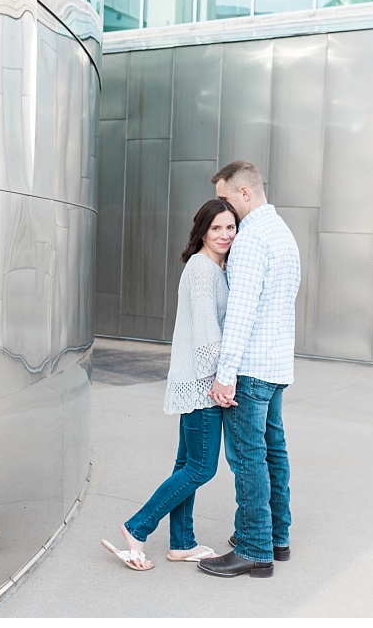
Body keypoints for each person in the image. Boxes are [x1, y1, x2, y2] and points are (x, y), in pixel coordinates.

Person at [101, 198, 240, 571]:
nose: (225, 234)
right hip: (203, 383)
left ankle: (182, 543)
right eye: (216, 228)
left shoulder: (215, 267)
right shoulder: (202, 269)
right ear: (202, 232)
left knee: (186, 463)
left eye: (230, 227)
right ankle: (137, 526)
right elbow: (207, 334)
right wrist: (221, 380)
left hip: (198, 380)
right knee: (201, 467)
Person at [199, 160, 301, 579]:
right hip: (277, 366)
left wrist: (225, 374)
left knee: (248, 458)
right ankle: (277, 537)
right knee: (272, 451)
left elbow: (241, 312)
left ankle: (254, 547)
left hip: (252, 368)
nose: (223, 207)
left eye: (225, 197)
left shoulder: (251, 239)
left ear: (243, 193)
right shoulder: (282, 233)